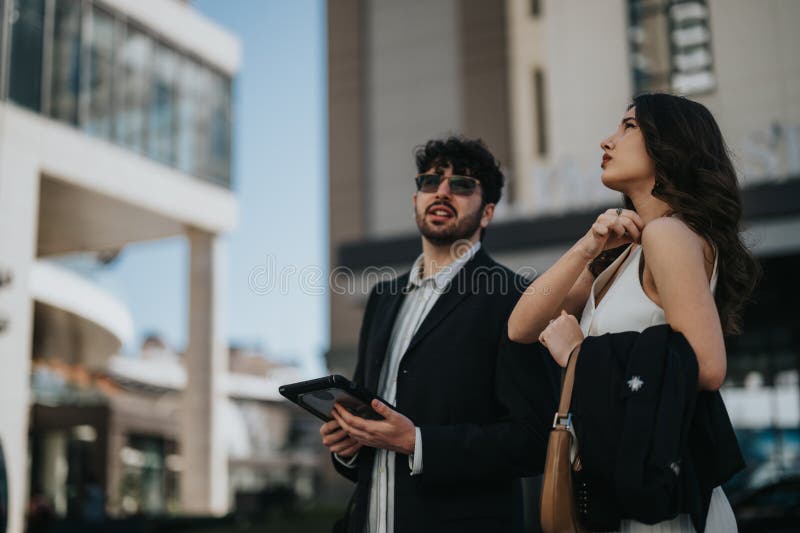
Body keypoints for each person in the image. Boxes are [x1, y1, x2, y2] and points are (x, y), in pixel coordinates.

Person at [508, 93, 760, 532]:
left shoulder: (669, 235)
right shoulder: (623, 253)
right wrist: (588, 246)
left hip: (663, 506)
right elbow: (521, 325)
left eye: (628, 127)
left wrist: (578, 358)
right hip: (628, 488)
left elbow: (706, 366)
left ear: (670, 145)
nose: (607, 141)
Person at [321, 136, 559, 533]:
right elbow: (372, 430)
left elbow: (533, 441)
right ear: (416, 200)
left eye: (463, 184)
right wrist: (351, 444)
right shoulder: (383, 297)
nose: (443, 191)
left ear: (487, 213)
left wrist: (418, 442)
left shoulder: (513, 297)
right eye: (430, 182)